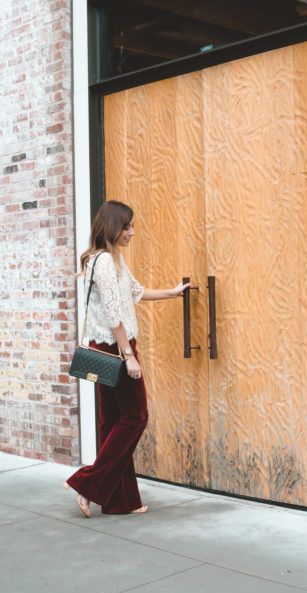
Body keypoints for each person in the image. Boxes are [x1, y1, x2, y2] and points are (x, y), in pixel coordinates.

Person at [64, 200, 190, 516]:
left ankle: (121, 501)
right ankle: (87, 481)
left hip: (103, 349)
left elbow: (135, 292)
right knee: (136, 416)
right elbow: (113, 313)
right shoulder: (105, 262)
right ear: (112, 227)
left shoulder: (106, 260)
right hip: (115, 349)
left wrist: (171, 293)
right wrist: (130, 356)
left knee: (111, 423)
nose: (132, 232)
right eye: (127, 226)